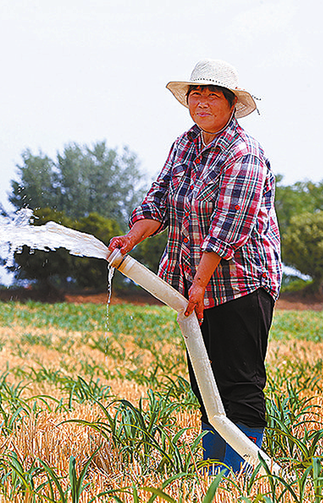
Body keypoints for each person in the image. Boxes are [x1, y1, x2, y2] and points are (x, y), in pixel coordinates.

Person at [108, 59, 282, 473]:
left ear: (231, 104)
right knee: (205, 382)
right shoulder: (185, 145)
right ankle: (213, 470)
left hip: (241, 282)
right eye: (196, 94)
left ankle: (240, 473)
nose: (202, 101)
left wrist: (200, 283)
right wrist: (131, 238)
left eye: (212, 95)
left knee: (237, 381)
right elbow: (159, 201)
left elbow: (229, 226)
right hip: (191, 285)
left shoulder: (244, 154)